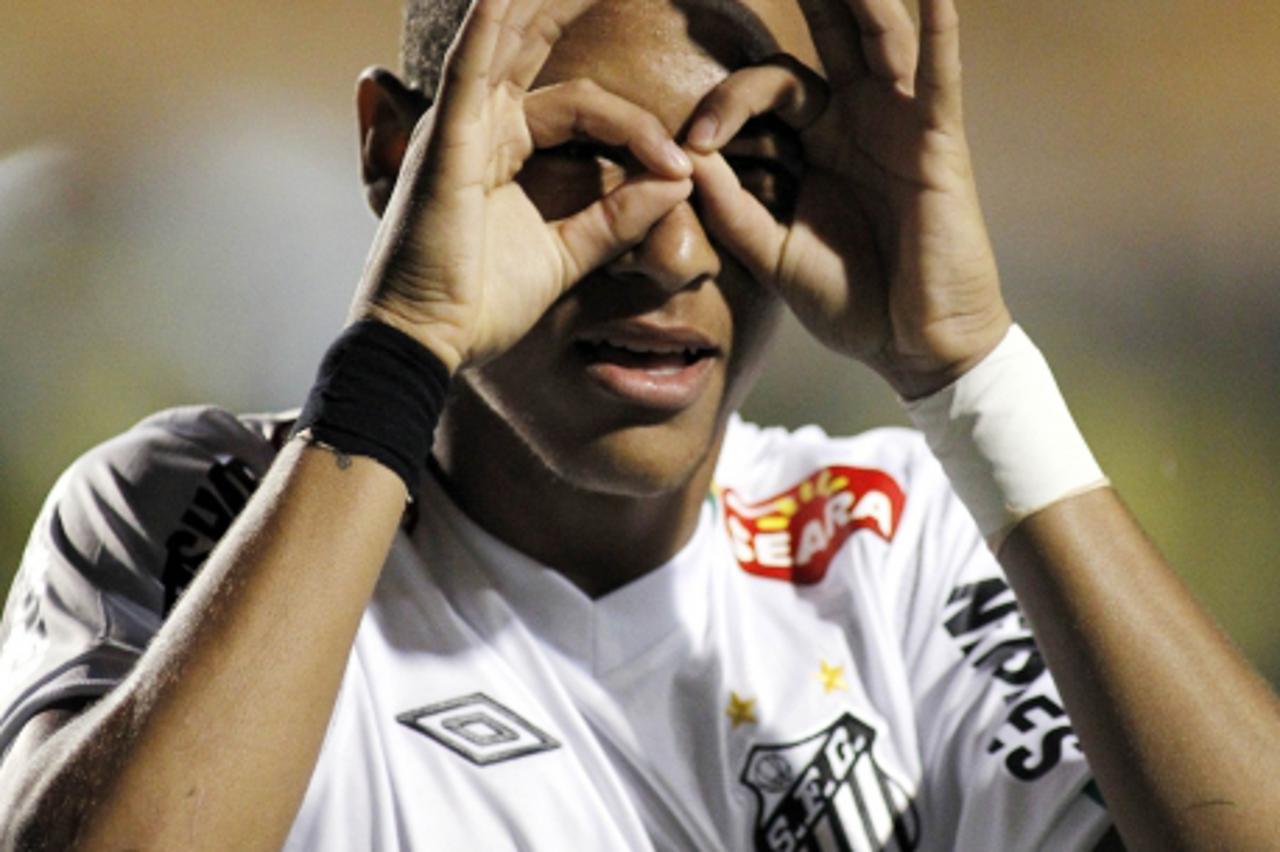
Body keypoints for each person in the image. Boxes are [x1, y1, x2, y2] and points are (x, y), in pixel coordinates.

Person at [0, 0, 1276, 848]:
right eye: (576, 157)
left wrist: (972, 373)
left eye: (747, 167)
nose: (671, 251)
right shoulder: (186, 503)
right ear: (394, 154)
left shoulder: (892, 545)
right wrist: (404, 341)